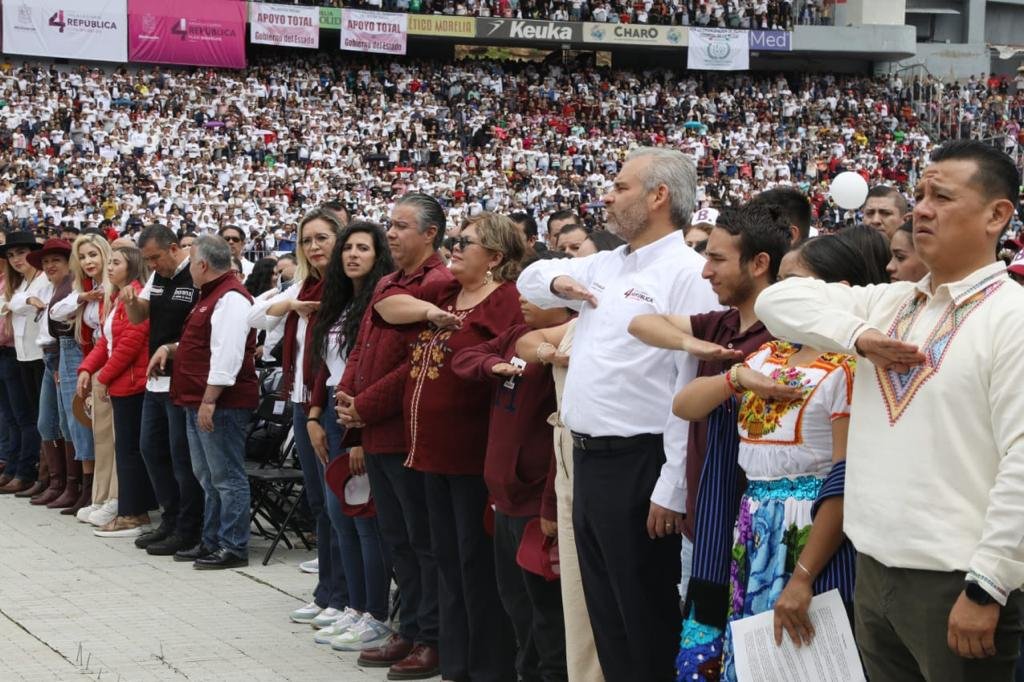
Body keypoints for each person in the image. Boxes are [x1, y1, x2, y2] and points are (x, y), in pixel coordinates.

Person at [755, 140, 1024, 681]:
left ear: (996, 216)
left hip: (955, 582)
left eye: (941, 197)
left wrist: (988, 584)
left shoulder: (1010, 317)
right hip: (874, 571)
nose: (921, 209)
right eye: (919, 195)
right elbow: (775, 302)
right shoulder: (890, 303)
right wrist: (859, 336)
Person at [517, 147, 720, 681]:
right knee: (605, 612)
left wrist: (672, 485)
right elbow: (530, 277)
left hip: (641, 461)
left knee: (644, 615)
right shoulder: (606, 263)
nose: (607, 196)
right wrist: (558, 285)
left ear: (659, 196)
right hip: (587, 457)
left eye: (621, 187)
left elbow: (687, 381)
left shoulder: (687, 273)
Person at [673, 226, 892, 681]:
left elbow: (845, 477)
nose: (777, 295)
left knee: (812, 659)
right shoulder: (768, 356)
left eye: (793, 284)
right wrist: (734, 378)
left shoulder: (849, 368)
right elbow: (685, 405)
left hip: (813, 532)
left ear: (839, 292)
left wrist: (804, 574)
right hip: (755, 527)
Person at [627, 204, 788, 644]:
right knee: (703, 646)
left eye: (717, 259)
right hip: (702, 524)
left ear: (759, 263)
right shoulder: (721, 324)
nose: (705, 272)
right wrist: (692, 344)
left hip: (757, 530)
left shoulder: (786, 335)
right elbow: (641, 323)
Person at [372, 211, 522, 682]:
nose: (453, 249)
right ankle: (456, 664)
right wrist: (428, 313)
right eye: (454, 240)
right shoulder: (446, 293)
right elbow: (385, 304)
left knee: (476, 564)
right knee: (446, 561)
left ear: (494, 257)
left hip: (472, 454)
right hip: (429, 452)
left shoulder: (507, 300)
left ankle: (487, 667)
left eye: (465, 242)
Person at [335, 192, 450, 680]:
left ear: (430, 234)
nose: (392, 234)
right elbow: (362, 347)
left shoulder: (439, 284)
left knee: (423, 540)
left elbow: (417, 363)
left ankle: (432, 637)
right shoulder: (387, 282)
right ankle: (411, 626)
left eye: (402, 226)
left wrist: (364, 405)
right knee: (398, 538)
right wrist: (347, 394)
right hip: (376, 430)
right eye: (391, 224)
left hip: (408, 432)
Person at [451, 249, 572, 682]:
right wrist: (493, 365)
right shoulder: (517, 333)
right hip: (504, 497)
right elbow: (463, 358)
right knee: (515, 603)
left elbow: (563, 438)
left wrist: (549, 504)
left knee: (546, 614)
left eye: (534, 292)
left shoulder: (571, 346)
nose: (522, 298)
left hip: (536, 501)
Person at [247, 208, 350, 631]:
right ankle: (327, 592)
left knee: (338, 505)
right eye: (307, 240)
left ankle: (346, 597)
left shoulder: (347, 287)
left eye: (322, 238)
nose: (314, 246)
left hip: (327, 402)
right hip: (300, 399)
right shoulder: (303, 285)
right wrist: (291, 304)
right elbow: (253, 316)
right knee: (319, 504)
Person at [306, 221, 394, 650]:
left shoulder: (379, 302)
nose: (353, 255)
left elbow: (372, 371)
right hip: (332, 413)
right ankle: (354, 606)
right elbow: (326, 366)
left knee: (364, 520)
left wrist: (357, 436)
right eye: (348, 248)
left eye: (363, 248)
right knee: (339, 515)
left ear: (379, 256)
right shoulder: (339, 302)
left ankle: (376, 612)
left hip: (359, 418)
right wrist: (314, 416)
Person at [153, 236, 256, 569]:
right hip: (197, 398)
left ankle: (233, 546)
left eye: (191, 262)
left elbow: (227, 355)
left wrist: (210, 399)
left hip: (219, 402)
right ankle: (211, 540)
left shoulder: (230, 298)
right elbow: (200, 343)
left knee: (226, 477)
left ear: (202, 265)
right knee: (208, 477)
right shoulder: (211, 295)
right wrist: (171, 349)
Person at [121, 226, 204, 556]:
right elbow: (139, 316)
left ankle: (189, 526)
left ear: (173, 248)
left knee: (180, 457)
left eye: (155, 257)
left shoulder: (194, 275)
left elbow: (201, 330)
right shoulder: (157, 277)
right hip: (155, 380)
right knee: (151, 450)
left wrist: (172, 349)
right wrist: (130, 302)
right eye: (147, 260)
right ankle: (170, 519)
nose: (152, 265)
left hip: (181, 379)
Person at [78, 246, 156, 537]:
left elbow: (130, 344)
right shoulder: (119, 297)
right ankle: (128, 509)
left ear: (131, 266)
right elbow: (106, 342)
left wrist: (105, 377)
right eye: (109, 262)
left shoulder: (136, 296)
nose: (109, 267)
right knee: (123, 448)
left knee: (129, 450)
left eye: (115, 262)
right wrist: (87, 368)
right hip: (122, 381)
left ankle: (132, 513)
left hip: (132, 382)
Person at [50, 234, 110, 517]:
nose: (88, 261)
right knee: (86, 426)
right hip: (91, 358)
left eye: (93, 255)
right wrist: (82, 297)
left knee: (105, 434)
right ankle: (93, 491)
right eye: (83, 257)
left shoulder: (112, 285)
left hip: (106, 361)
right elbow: (56, 312)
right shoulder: (86, 287)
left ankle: (105, 495)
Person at [30, 239, 78, 509]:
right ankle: (57, 482)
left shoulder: (70, 287)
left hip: (61, 354)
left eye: (55, 260)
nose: (49, 266)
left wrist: (60, 363)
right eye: (46, 262)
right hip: (49, 355)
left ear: (68, 263)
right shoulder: (48, 288)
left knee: (65, 422)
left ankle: (71, 484)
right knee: (47, 422)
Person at [0, 232, 47, 495]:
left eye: (21, 253)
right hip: (22, 355)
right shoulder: (19, 284)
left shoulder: (42, 279)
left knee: (33, 419)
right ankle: (19, 469)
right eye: (11, 255)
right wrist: (21, 301)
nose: (16, 259)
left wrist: (19, 303)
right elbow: (11, 304)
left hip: (39, 356)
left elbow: (20, 306)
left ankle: (29, 472)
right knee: (20, 417)